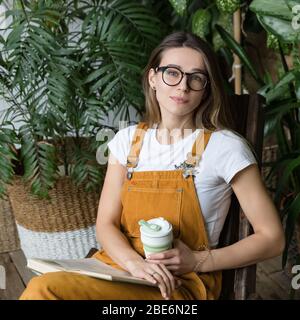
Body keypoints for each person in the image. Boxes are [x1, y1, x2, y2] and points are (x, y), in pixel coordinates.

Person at [20, 31, 285, 300]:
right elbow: (106, 224)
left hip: (177, 286)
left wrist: (197, 260)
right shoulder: (127, 140)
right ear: (153, 78)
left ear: (206, 88)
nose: (183, 86)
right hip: (121, 269)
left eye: (196, 78)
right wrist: (134, 264)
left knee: (44, 290)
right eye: (173, 73)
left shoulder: (224, 147)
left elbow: (272, 238)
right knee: (45, 287)